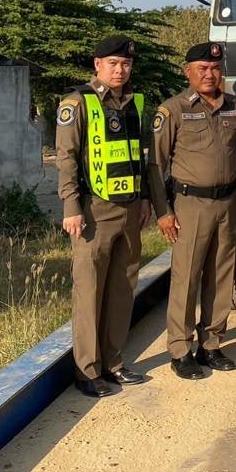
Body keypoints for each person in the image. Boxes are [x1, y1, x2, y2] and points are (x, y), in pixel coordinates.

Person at [55, 35, 151, 398]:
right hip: (93, 210)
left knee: (122, 289)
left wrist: (144, 200)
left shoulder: (134, 103)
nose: (120, 69)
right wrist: (71, 207)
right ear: (97, 64)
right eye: (113, 63)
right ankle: (87, 370)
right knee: (90, 291)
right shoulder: (78, 101)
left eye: (126, 64)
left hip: (129, 209)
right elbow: (66, 158)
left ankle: (113, 363)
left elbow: (139, 156)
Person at [150, 41, 236, 380]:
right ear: (188, 72)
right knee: (187, 277)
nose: (209, 74)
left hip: (228, 203)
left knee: (221, 276)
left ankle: (212, 345)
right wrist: (163, 212)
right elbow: (156, 165)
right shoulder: (173, 110)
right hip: (189, 205)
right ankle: (180, 350)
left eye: (215, 69)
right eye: (202, 69)